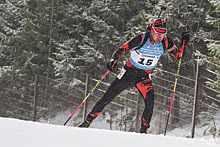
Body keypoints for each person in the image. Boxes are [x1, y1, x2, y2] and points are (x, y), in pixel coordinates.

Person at [78, 18, 190, 133]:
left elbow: (179, 56)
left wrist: (184, 43)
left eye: (162, 34)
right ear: (152, 30)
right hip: (128, 74)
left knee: (150, 102)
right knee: (107, 98)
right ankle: (87, 122)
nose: (159, 37)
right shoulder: (142, 38)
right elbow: (121, 49)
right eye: (157, 33)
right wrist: (114, 59)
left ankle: (143, 131)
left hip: (143, 77)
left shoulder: (165, 42)